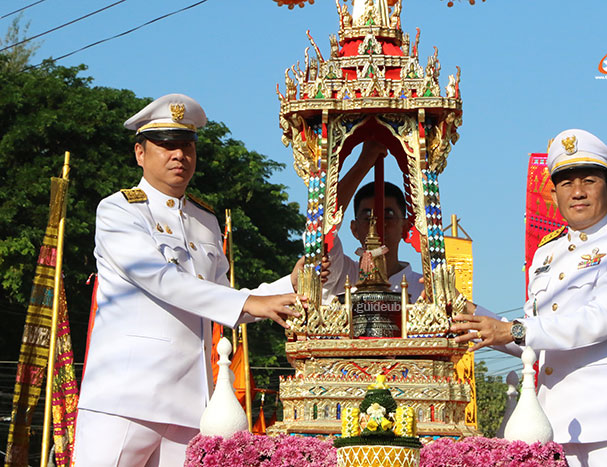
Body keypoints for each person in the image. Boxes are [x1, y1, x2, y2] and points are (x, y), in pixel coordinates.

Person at [73, 94, 304, 466]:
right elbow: (162, 280)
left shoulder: (205, 220)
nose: (178, 154)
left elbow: (223, 299)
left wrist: (290, 284)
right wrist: (245, 303)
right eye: (166, 145)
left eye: (186, 145)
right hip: (124, 398)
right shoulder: (117, 209)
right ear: (140, 153)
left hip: (189, 406)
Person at [451, 129, 607, 467]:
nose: (577, 192)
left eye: (588, 181)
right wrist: (472, 316)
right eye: (565, 183)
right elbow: (536, 340)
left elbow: (601, 318)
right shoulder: (546, 253)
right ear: (554, 193)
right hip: (549, 428)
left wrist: (514, 330)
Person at [322, 141, 423, 303]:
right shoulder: (341, 274)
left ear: (405, 227)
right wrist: (363, 163)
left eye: (388, 216)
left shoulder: (423, 290)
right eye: (367, 217)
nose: (377, 224)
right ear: (354, 229)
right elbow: (323, 227)